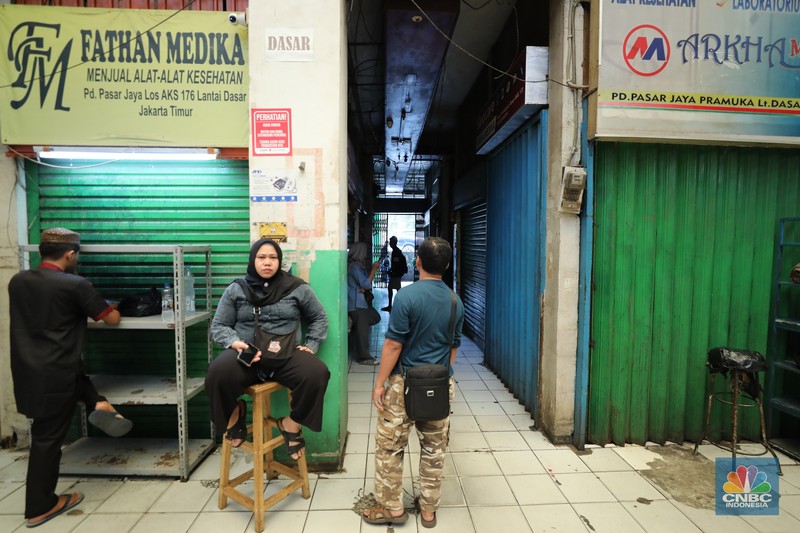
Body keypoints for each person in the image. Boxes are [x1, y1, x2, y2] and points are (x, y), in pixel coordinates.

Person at [8, 227, 133, 529]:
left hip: (28, 371)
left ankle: (98, 403)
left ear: (41, 252)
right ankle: (40, 506)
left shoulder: (18, 281)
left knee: (81, 381)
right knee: (47, 441)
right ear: (70, 254)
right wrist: (108, 306)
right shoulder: (75, 284)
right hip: (57, 375)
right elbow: (111, 319)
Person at [363, 237, 464, 529]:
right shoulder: (457, 301)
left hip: (403, 384)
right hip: (440, 384)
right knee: (434, 448)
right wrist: (439, 374)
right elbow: (453, 348)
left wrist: (380, 383)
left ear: (417, 262)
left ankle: (392, 509)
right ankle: (429, 511)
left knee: (390, 447)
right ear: (446, 266)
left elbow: (393, 345)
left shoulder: (407, 297)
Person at [205, 238, 330, 459]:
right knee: (217, 373)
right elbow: (219, 325)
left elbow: (319, 317)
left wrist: (312, 344)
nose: (267, 263)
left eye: (273, 258)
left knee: (316, 373)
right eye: (261, 257)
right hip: (247, 357)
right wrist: (235, 343)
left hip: (287, 356)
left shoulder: (297, 287)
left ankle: (290, 424)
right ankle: (235, 413)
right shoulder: (236, 289)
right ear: (253, 260)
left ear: (279, 261)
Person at [347, 242, 382, 365]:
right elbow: (366, 284)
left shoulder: (355, 266)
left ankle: (353, 322)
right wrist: (374, 269)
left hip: (359, 302)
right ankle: (364, 357)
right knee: (363, 332)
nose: (366, 254)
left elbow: (364, 284)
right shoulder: (355, 267)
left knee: (374, 317)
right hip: (357, 304)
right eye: (364, 251)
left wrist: (365, 286)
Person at [381, 236, 407, 312]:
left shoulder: (396, 251)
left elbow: (395, 263)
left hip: (396, 273)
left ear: (393, 242)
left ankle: (392, 306)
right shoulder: (396, 250)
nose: (390, 243)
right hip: (398, 273)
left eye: (391, 242)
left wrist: (391, 271)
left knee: (392, 288)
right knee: (397, 288)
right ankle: (399, 305)